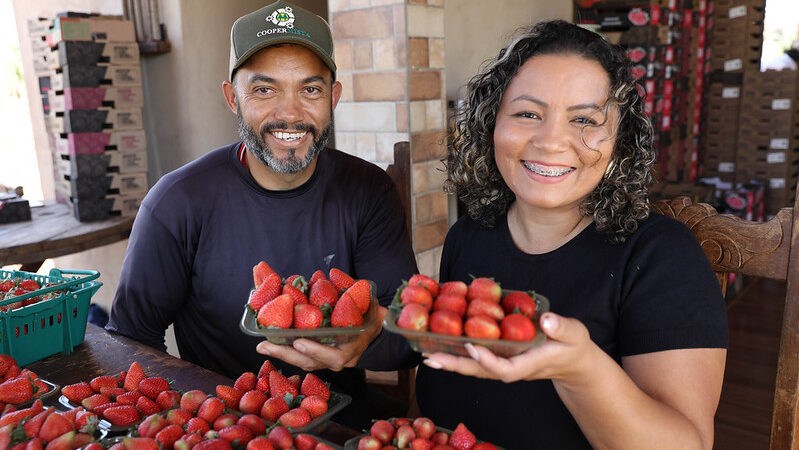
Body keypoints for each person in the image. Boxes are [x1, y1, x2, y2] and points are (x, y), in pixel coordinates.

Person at [106, 0, 418, 429]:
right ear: (233, 98)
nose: (289, 113)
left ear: (334, 97)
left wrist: (366, 341)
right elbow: (130, 345)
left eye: (310, 89)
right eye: (264, 89)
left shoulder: (369, 192)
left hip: (341, 426)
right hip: (224, 426)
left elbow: (406, 338)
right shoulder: (177, 202)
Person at [417, 21, 728, 449]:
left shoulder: (661, 257)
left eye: (583, 119)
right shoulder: (468, 237)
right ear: (492, 125)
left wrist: (580, 369)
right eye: (528, 114)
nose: (551, 141)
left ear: (619, 142)